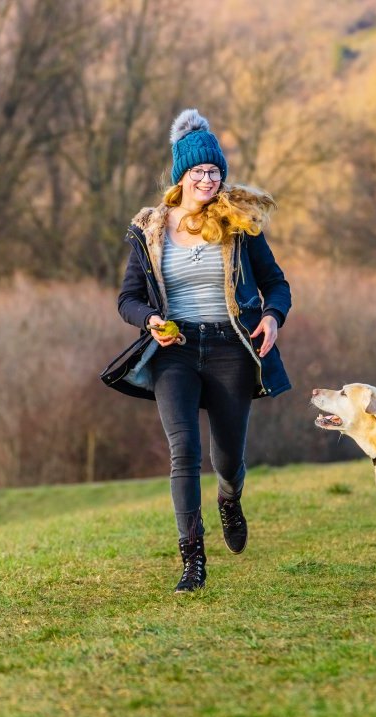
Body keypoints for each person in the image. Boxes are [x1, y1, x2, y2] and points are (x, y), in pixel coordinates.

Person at [101, 109, 293, 593]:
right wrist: (149, 320)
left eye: (215, 172)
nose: (209, 179)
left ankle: (230, 498)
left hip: (232, 349)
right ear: (180, 176)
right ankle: (193, 560)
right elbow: (127, 298)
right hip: (175, 351)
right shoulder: (151, 229)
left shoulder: (239, 225)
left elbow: (276, 284)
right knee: (182, 451)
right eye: (199, 172)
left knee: (227, 457)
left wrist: (272, 318)